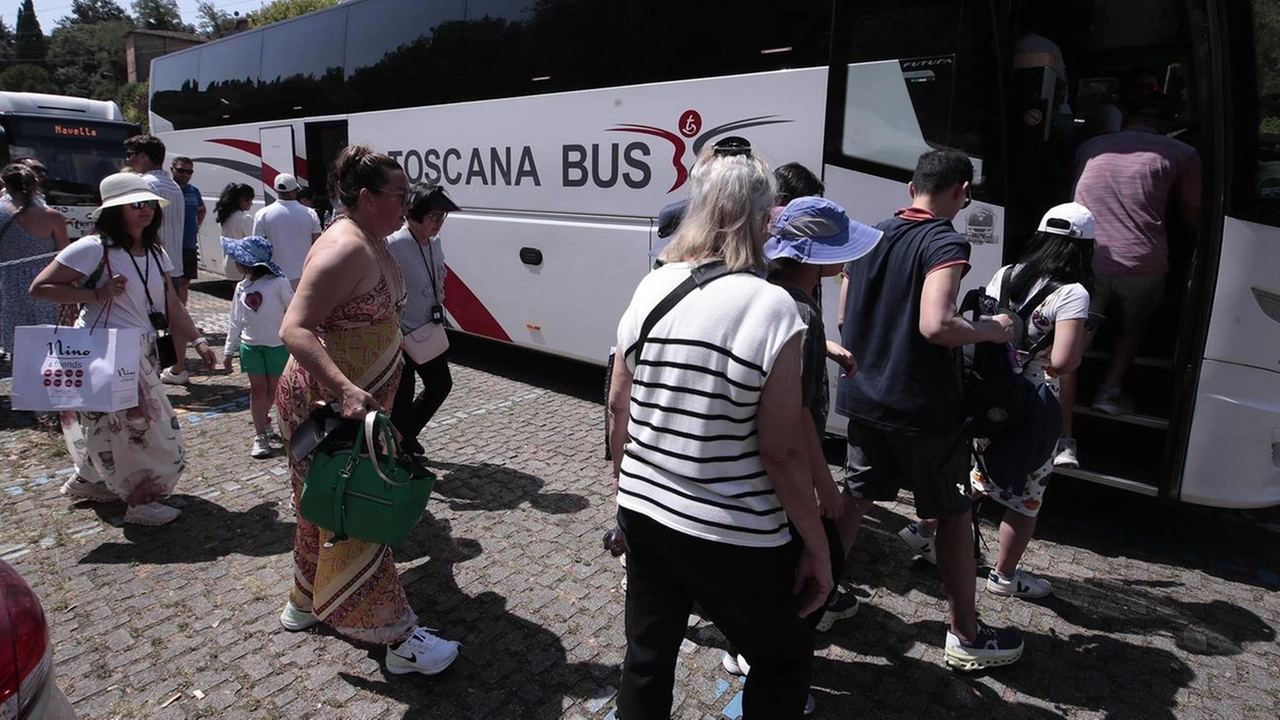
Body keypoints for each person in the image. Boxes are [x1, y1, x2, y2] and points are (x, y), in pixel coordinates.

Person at [608, 139, 832, 719]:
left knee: (647, 656)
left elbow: (617, 405)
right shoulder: (773, 308)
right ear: (761, 220)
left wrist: (624, 491)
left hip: (645, 508)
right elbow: (782, 450)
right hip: (732, 530)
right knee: (782, 658)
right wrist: (814, 543)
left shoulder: (651, 284)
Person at [274, 144, 460, 676]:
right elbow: (294, 328)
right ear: (364, 197)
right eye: (399, 195)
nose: (408, 203)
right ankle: (394, 638)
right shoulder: (345, 247)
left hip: (361, 402)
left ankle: (304, 601)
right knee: (359, 511)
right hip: (331, 405)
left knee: (323, 504)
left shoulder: (374, 239)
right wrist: (344, 389)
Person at [835, 149, 1024, 671]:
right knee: (954, 516)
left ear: (909, 187)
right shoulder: (945, 241)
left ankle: (821, 593)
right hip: (922, 410)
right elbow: (936, 325)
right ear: (962, 190)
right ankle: (965, 633)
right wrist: (994, 328)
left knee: (856, 497)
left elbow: (846, 318)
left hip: (865, 395)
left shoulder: (870, 235)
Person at [901, 203, 1094, 597]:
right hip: (1035, 402)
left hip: (990, 388)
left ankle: (924, 529)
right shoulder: (1073, 294)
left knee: (981, 469)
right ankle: (1005, 576)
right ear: (1084, 250)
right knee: (1027, 495)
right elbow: (1063, 361)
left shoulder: (1006, 274)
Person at [29, 172, 216, 526]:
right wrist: (95, 295)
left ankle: (90, 479)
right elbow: (40, 287)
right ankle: (140, 501)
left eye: (148, 203)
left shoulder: (155, 251)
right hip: (107, 351)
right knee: (143, 431)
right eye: (134, 205)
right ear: (115, 212)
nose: (145, 210)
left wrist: (198, 340)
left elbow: (171, 303)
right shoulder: (92, 248)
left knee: (110, 426)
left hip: (139, 350)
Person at [1073, 94, 1201, 418]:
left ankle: (1056, 400)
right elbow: (1193, 214)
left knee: (1077, 332)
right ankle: (1109, 391)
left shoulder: (1091, 147)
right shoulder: (1183, 153)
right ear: (1167, 124)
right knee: (1135, 326)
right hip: (1142, 262)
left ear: (1128, 119)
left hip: (1089, 257)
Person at [387, 182, 461, 456]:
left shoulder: (434, 242)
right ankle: (400, 452)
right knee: (402, 398)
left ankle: (407, 434)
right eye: (433, 216)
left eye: (442, 217)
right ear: (414, 213)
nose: (439, 223)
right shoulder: (393, 245)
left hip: (427, 330)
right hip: (401, 335)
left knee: (441, 385)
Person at [222, 235, 293, 459]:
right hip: (250, 346)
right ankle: (260, 434)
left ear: (247, 263)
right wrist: (228, 350)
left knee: (273, 390)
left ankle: (264, 417)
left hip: (276, 346)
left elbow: (292, 309)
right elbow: (235, 319)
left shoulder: (278, 283)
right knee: (257, 389)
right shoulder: (241, 287)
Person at [0, 162, 70, 359]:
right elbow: (65, 255)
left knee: (17, 344)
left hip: (7, 285)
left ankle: (21, 383)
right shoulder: (53, 216)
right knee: (46, 341)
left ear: (6, 185)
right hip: (45, 283)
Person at [253, 173, 321, 290]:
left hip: (274, 275)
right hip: (304, 273)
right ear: (295, 190)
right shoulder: (310, 213)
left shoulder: (262, 214)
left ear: (275, 190)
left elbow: (257, 246)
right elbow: (318, 243)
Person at [170, 156, 205, 305]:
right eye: (181, 170)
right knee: (170, 284)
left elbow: (202, 209)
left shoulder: (194, 191)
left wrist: (197, 225)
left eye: (189, 172)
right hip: (172, 245)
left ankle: (182, 317)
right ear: (172, 170)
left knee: (184, 284)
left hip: (189, 245)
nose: (185, 175)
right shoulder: (168, 189)